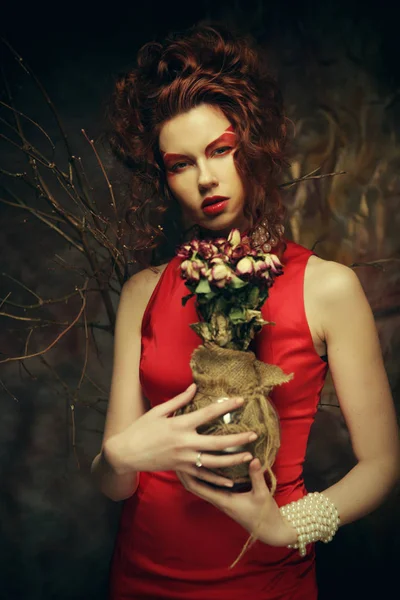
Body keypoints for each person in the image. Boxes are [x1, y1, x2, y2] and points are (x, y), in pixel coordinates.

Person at [90, 22, 400, 599]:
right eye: (180, 164)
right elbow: (116, 484)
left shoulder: (328, 287)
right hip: (141, 577)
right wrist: (118, 456)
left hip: (266, 579)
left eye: (220, 151)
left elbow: (382, 465)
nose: (205, 177)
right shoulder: (144, 291)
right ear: (165, 176)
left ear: (251, 147)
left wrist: (287, 526)